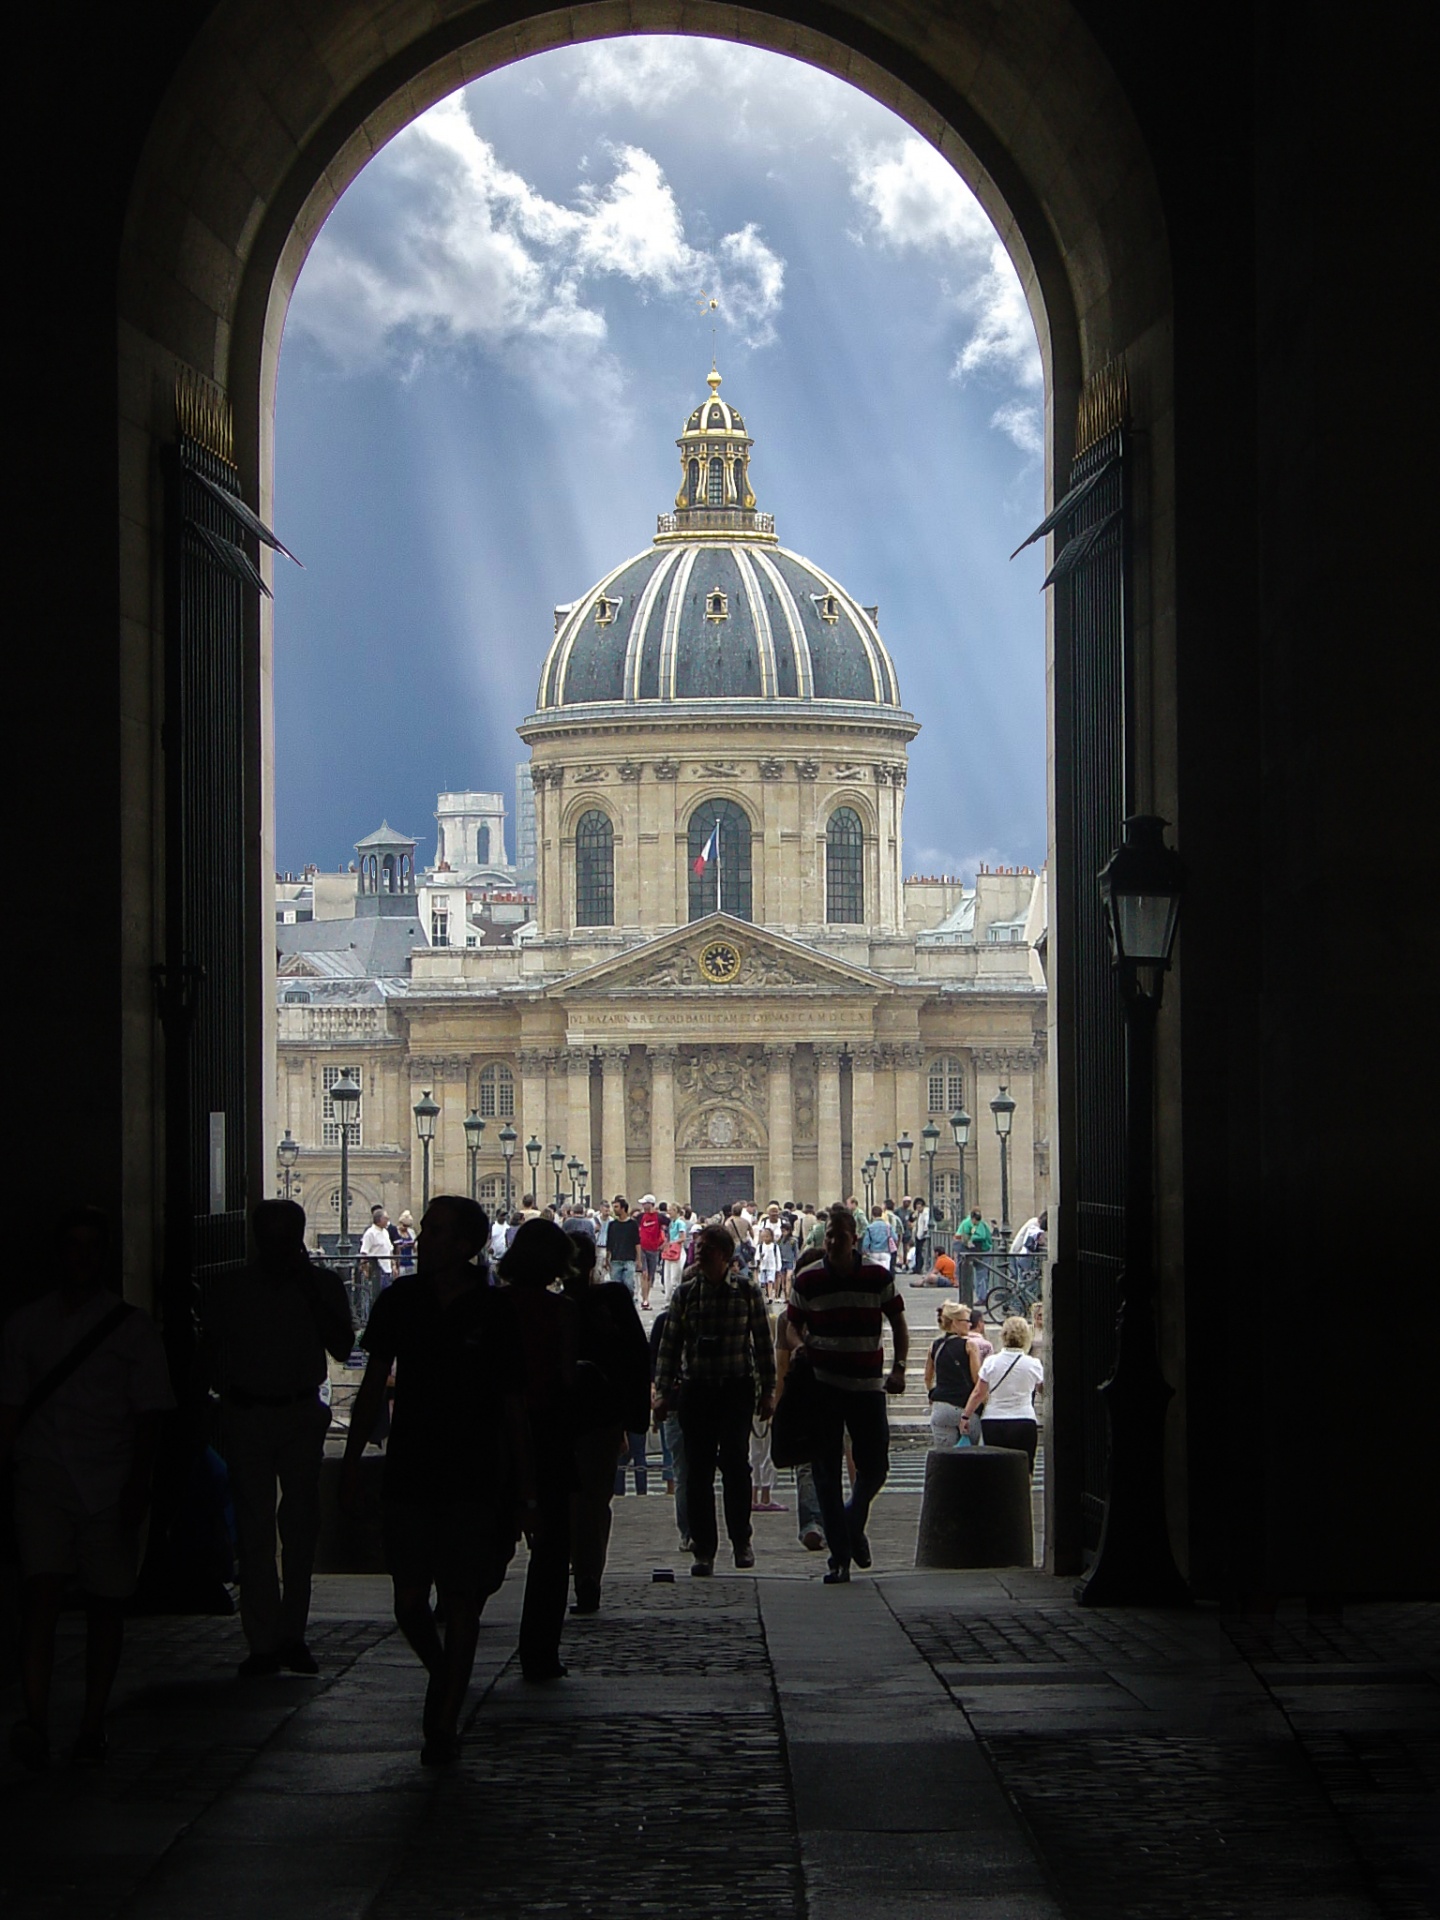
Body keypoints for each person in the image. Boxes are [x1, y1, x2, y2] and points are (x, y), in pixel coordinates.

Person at [341, 1195, 534, 1766]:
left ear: (463, 1245)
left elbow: (512, 1405)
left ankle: (444, 1718)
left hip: (474, 1467)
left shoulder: (495, 1311)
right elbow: (373, 1384)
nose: (419, 1239)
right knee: (406, 1601)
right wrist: (352, 1461)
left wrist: (525, 1492)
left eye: (432, 1232)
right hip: (413, 1461)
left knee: (461, 1597)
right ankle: (448, 1674)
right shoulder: (400, 1299)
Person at [0, 1207, 175, 1770]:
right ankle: (39, 1717)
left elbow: (150, 1415)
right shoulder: (27, 1326)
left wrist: (138, 1484)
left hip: (106, 1477)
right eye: (72, 1246)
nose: (81, 1257)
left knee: (102, 1607)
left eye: (89, 1247)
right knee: (44, 1597)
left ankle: (88, 1720)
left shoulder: (130, 1328)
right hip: (45, 1475)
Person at [202, 1199, 353, 1677]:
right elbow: (209, 1351)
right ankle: (266, 1638)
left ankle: (289, 1632)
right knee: (257, 1529)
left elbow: (343, 1346)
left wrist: (309, 1289)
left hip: (297, 1410)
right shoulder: (232, 1289)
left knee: (299, 1525)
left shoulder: (319, 1284)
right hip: (250, 1410)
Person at [785, 1205, 908, 1584]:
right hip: (823, 1386)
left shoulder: (876, 1276)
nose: (834, 1240)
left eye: (840, 1234)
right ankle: (839, 1557)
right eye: (830, 1235)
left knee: (876, 1468)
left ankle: (852, 1524)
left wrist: (900, 1367)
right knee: (824, 1473)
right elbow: (791, 1325)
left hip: (868, 1386)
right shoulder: (807, 1279)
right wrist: (801, 1346)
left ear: (855, 1237)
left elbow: (899, 1324)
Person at [653, 1224, 775, 1577]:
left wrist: (768, 1391)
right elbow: (669, 1347)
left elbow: (763, 1344)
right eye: (698, 1245)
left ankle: (741, 1541)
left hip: (735, 1387)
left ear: (724, 1254)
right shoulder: (686, 1293)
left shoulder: (747, 1291)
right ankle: (704, 1549)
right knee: (698, 1472)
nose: (699, 1250)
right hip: (697, 1389)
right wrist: (662, 1392)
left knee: (737, 1467)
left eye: (705, 1246)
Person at [495, 1219, 579, 1683]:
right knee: (551, 1549)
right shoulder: (561, 1311)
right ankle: (540, 1652)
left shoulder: (490, 1307)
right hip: (545, 1431)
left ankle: (457, 1609)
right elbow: (566, 1380)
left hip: (493, 1434)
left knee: (486, 1533)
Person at [563, 1229, 650, 1613]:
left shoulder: (556, 1307)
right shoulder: (611, 1300)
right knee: (594, 1501)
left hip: (561, 1415)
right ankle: (587, 1577)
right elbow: (637, 1358)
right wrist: (632, 1419)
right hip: (601, 1415)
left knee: (568, 1500)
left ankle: (572, 1569)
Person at [961, 1315, 1044, 1472]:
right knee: (1025, 1468)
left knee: (996, 1469)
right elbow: (1043, 1390)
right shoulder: (1034, 1364)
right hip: (1024, 1419)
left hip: (993, 1420)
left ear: (1003, 1336)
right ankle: (1024, 1496)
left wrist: (966, 1416)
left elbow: (978, 1392)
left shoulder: (991, 1362)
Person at [923, 1301, 974, 1450]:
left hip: (942, 1407)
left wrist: (931, 1392)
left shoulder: (935, 1345)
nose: (969, 1324)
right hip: (966, 1407)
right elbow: (977, 1379)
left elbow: (928, 1377)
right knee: (972, 1457)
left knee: (946, 1458)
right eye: (966, 1321)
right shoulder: (969, 1345)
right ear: (955, 1323)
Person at [602, 1196, 641, 1298]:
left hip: (629, 1258)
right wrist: (607, 1259)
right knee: (615, 1287)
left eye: (616, 1207)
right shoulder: (612, 1224)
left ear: (623, 1208)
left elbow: (637, 1242)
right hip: (615, 1259)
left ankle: (629, 1302)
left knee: (629, 1285)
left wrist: (639, 1259)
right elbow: (609, 1242)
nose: (614, 1209)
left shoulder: (632, 1224)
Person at [636, 1195, 665, 1309]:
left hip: (654, 1249)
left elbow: (672, 1226)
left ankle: (646, 1297)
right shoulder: (640, 1217)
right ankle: (645, 1300)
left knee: (651, 1276)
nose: (643, 1206)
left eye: (644, 1203)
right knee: (644, 1274)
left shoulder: (660, 1217)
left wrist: (665, 1243)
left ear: (650, 1204)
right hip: (642, 1247)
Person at [360, 1205, 395, 1289]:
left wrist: (393, 1265)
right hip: (377, 1268)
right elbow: (364, 1252)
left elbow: (390, 1250)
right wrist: (365, 1269)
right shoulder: (370, 1233)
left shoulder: (385, 1232)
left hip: (387, 1269)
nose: (387, 1221)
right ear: (379, 1220)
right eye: (386, 1219)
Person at [392, 1211, 417, 1276]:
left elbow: (415, 1249)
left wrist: (413, 1245)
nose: (406, 1228)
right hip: (400, 1263)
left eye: (408, 1226)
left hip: (410, 1262)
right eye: (404, 1225)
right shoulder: (395, 1232)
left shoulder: (411, 1232)